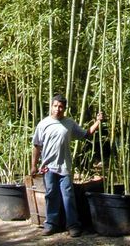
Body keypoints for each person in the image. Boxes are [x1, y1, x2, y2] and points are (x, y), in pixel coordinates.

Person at [31, 93, 103, 237]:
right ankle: (51, 224)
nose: (58, 109)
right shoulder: (43, 124)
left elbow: (85, 134)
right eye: (55, 106)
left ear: (65, 108)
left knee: (68, 196)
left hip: (65, 167)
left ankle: (73, 225)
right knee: (51, 195)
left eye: (61, 107)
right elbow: (37, 146)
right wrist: (33, 165)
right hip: (48, 167)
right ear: (51, 107)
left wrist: (98, 122)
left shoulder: (69, 123)